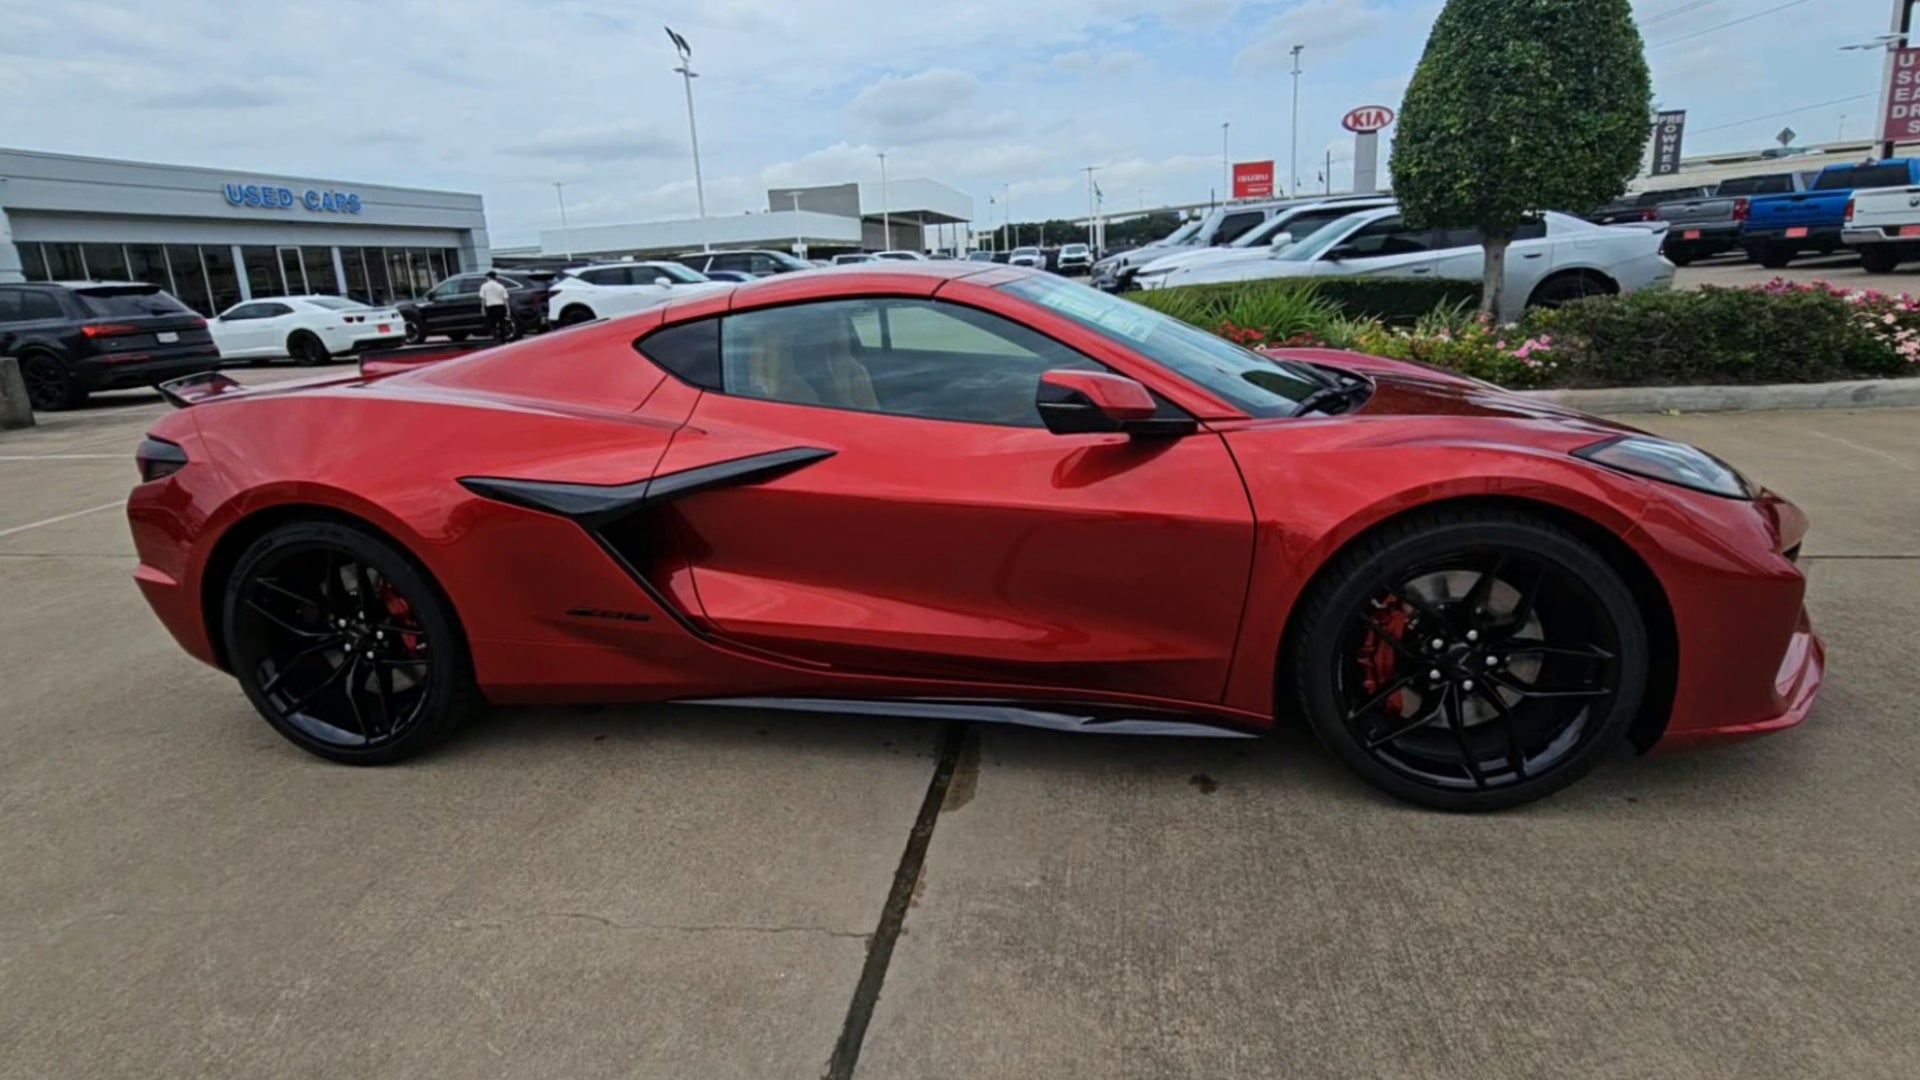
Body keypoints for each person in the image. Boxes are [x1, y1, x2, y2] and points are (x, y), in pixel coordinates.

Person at [478, 270, 512, 343]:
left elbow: (483, 298)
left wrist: (482, 308)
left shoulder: (484, 286)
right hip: (500, 306)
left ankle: (495, 338)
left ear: (488, 277)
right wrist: (508, 309)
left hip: (491, 307)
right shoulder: (500, 286)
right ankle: (503, 339)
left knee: (492, 323)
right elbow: (505, 298)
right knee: (502, 323)